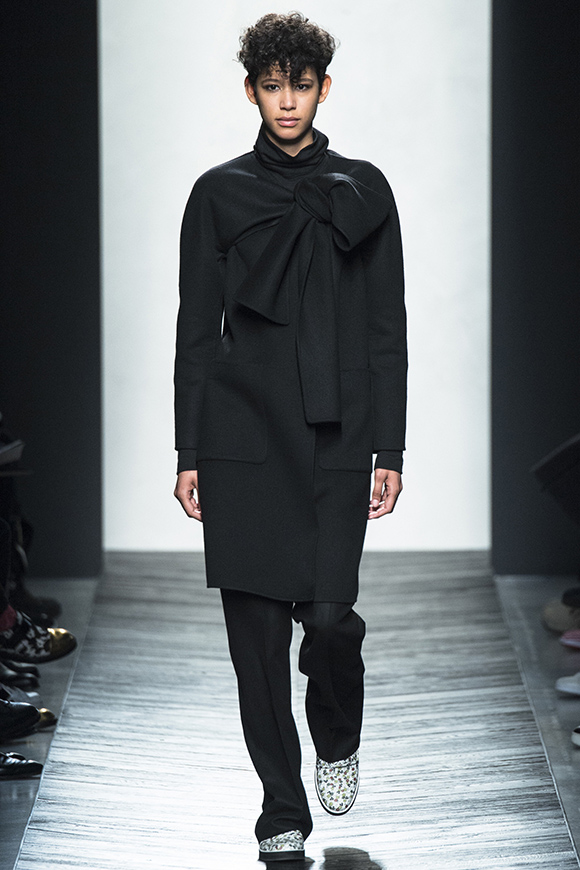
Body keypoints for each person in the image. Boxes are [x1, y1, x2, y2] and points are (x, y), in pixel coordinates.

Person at [173, 12, 407, 863]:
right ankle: (280, 803)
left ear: (323, 89)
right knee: (258, 645)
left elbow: (387, 329)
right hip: (241, 439)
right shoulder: (217, 194)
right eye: (271, 86)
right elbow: (196, 329)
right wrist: (189, 451)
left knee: (331, 621)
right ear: (251, 91)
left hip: (338, 436)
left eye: (299, 86)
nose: (286, 101)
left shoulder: (364, 191)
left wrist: (391, 449)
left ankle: (337, 737)